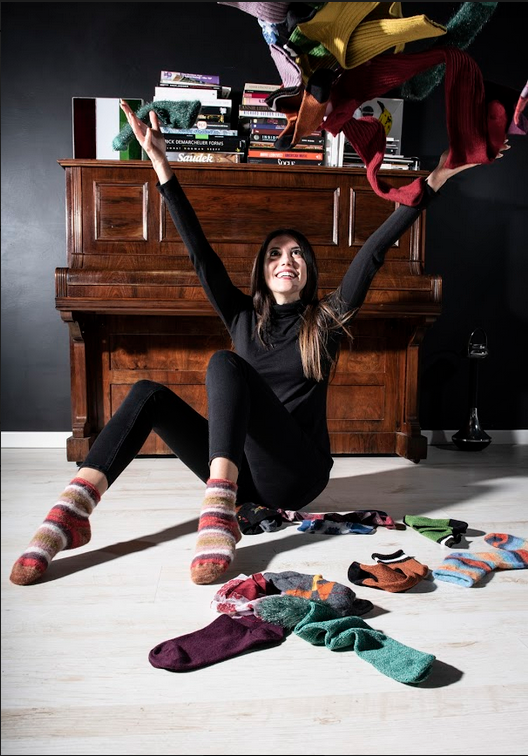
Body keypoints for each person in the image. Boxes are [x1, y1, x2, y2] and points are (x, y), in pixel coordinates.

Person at [10, 102, 510, 588]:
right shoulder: (242, 316)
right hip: (241, 477)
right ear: (262, 271)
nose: (285, 260)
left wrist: (437, 176)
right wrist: (161, 165)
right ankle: (72, 513)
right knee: (146, 393)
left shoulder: (326, 320)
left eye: (296, 254)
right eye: (274, 254)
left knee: (226, 364)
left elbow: (376, 251)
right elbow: (200, 254)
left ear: (308, 270)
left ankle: (218, 511)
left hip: (297, 476)